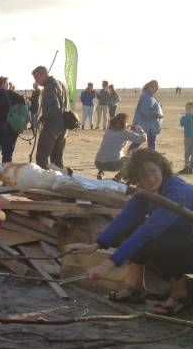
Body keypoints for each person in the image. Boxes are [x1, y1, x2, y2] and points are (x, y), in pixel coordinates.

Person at [67, 148, 193, 315]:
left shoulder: (177, 192)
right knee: (133, 226)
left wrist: (107, 265)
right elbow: (125, 218)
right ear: (136, 178)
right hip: (184, 240)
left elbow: (148, 231)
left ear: (162, 168)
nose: (150, 178)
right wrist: (96, 244)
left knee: (161, 243)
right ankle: (135, 287)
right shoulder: (145, 191)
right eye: (143, 175)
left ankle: (181, 293)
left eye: (153, 171)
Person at [31, 65, 68, 169]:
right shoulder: (60, 84)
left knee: (42, 155)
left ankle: (44, 180)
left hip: (52, 126)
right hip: (63, 126)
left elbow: (54, 107)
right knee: (56, 158)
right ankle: (61, 180)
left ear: (43, 75)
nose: (36, 81)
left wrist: (42, 119)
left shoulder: (49, 87)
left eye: (36, 78)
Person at [94, 113, 147, 180]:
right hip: (113, 164)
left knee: (107, 151)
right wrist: (140, 130)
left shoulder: (108, 131)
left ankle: (100, 173)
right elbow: (142, 139)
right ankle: (118, 177)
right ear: (125, 122)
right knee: (134, 161)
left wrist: (128, 129)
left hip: (98, 163)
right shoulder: (125, 132)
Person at [0, 76, 25, 163]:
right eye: (7, 84)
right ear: (3, 84)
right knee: (7, 153)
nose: (9, 86)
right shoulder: (11, 95)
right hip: (8, 127)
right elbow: (23, 104)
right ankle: (6, 173)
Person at [131, 80, 163, 150]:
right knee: (140, 141)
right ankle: (129, 156)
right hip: (145, 126)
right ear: (149, 87)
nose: (157, 89)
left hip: (149, 126)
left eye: (157, 88)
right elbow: (145, 111)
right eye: (155, 87)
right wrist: (157, 115)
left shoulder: (150, 96)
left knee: (144, 142)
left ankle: (150, 158)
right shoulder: (146, 97)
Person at [180, 102, 193, 174]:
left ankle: (191, 168)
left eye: (190, 108)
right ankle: (186, 167)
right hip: (188, 137)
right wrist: (188, 115)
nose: (188, 109)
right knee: (187, 153)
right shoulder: (185, 116)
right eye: (187, 108)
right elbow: (182, 124)